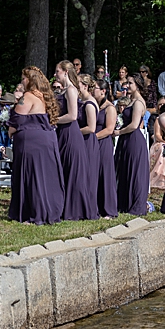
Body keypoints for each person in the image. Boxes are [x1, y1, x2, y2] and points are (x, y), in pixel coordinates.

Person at [7, 66, 64, 225]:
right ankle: (48, 210)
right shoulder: (46, 96)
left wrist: (10, 130)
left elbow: (17, 118)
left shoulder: (29, 96)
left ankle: (35, 213)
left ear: (30, 80)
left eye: (24, 78)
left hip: (31, 141)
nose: (22, 81)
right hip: (47, 139)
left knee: (33, 176)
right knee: (44, 176)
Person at [54, 60, 97, 221]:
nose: (55, 74)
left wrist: (53, 120)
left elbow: (72, 115)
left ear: (65, 72)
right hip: (63, 132)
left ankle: (76, 210)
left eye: (57, 71)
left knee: (73, 172)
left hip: (71, 133)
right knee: (64, 170)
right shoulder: (64, 90)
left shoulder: (71, 90)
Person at [113, 75, 149, 216]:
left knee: (134, 171)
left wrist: (119, 132)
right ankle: (124, 203)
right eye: (127, 82)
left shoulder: (138, 102)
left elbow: (134, 125)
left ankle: (136, 205)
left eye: (130, 83)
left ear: (138, 85)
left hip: (133, 139)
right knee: (125, 169)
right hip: (126, 139)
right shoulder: (131, 100)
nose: (127, 85)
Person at [92, 80, 118, 218]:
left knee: (105, 175)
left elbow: (109, 129)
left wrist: (93, 137)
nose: (92, 90)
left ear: (103, 91)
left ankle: (109, 209)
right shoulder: (94, 106)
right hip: (94, 143)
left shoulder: (110, 108)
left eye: (95, 88)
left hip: (103, 143)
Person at [77, 73, 100, 212]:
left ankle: (89, 208)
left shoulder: (90, 104)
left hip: (87, 141)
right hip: (82, 140)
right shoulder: (82, 102)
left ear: (85, 86)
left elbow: (91, 128)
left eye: (78, 83)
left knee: (88, 174)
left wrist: (74, 132)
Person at [149, 98, 165, 190]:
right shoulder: (158, 119)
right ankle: (159, 176)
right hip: (160, 143)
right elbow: (157, 135)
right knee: (163, 148)